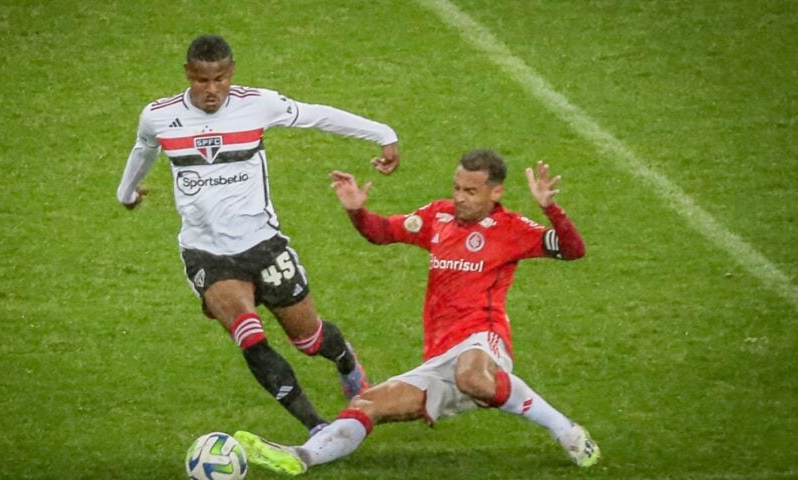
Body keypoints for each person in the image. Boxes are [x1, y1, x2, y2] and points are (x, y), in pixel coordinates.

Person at [234, 149, 601, 474]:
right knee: (367, 402)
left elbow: (574, 249)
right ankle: (301, 457)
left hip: (483, 338)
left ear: (496, 192)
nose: (459, 198)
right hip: (440, 357)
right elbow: (382, 232)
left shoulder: (512, 228)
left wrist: (551, 208)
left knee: (472, 376)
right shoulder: (438, 217)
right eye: (457, 188)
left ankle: (565, 430)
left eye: (470, 192)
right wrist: (357, 211)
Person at [116, 34, 400, 435]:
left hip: (263, 245)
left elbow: (315, 114)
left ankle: (346, 361)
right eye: (201, 81)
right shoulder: (159, 115)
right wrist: (126, 192)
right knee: (250, 336)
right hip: (207, 254)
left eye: (219, 80)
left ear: (230, 73)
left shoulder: (256, 105)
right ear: (187, 75)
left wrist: (382, 133)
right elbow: (144, 148)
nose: (211, 90)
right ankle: (319, 429)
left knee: (309, 339)